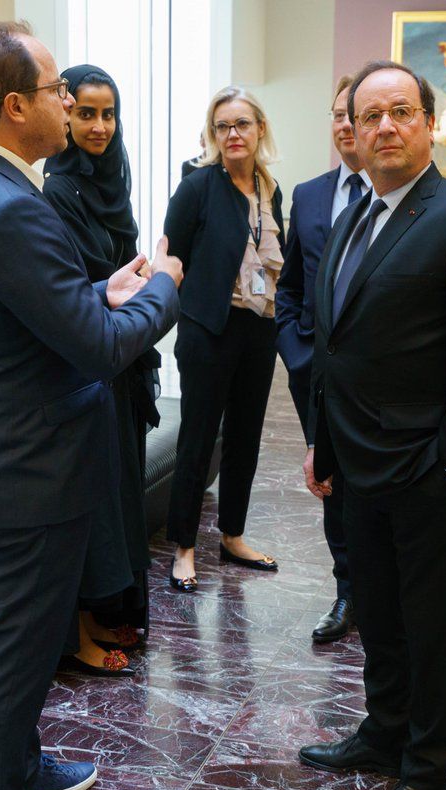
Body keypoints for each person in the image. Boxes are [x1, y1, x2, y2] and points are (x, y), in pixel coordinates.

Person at [0, 22, 182, 790]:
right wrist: (164, 285)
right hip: (33, 471)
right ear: (12, 107)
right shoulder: (11, 207)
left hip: (10, 457)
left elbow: (34, 315)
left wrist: (99, 293)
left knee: (25, 643)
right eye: (53, 91)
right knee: (16, 648)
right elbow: (103, 350)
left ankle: (18, 767)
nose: (66, 102)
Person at [296, 60, 446, 790]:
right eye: (370, 115)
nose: (385, 126)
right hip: (356, 463)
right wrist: (324, 445)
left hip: (425, 469)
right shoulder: (355, 211)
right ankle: (382, 734)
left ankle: (426, 769)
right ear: (351, 129)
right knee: (379, 615)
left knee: (432, 625)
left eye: (402, 112)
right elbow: (335, 349)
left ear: (428, 123)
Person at [43, 64, 157, 679]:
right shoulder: (60, 188)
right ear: (63, 113)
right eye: (85, 113)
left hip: (120, 356)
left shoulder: (114, 178)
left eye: (108, 113)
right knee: (94, 496)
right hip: (86, 359)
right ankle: (82, 628)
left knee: (118, 494)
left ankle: (104, 611)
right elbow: (77, 284)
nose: (99, 126)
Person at [164, 86, 284, 592]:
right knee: (197, 438)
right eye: (222, 126)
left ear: (260, 130)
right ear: (212, 135)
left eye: (242, 124)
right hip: (209, 330)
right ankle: (184, 546)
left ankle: (232, 535)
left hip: (259, 330)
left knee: (245, 438)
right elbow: (173, 257)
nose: (233, 134)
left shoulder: (271, 190)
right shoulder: (197, 187)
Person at [276, 73, 370, 642]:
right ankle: (347, 595)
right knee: (330, 485)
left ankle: (424, 617)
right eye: (336, 114)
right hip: (315, 374)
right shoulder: (310, 195)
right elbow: (289, 286)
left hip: (379, 378)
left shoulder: (405, 202)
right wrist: (295, 352)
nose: (342, 124)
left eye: (351, 114)